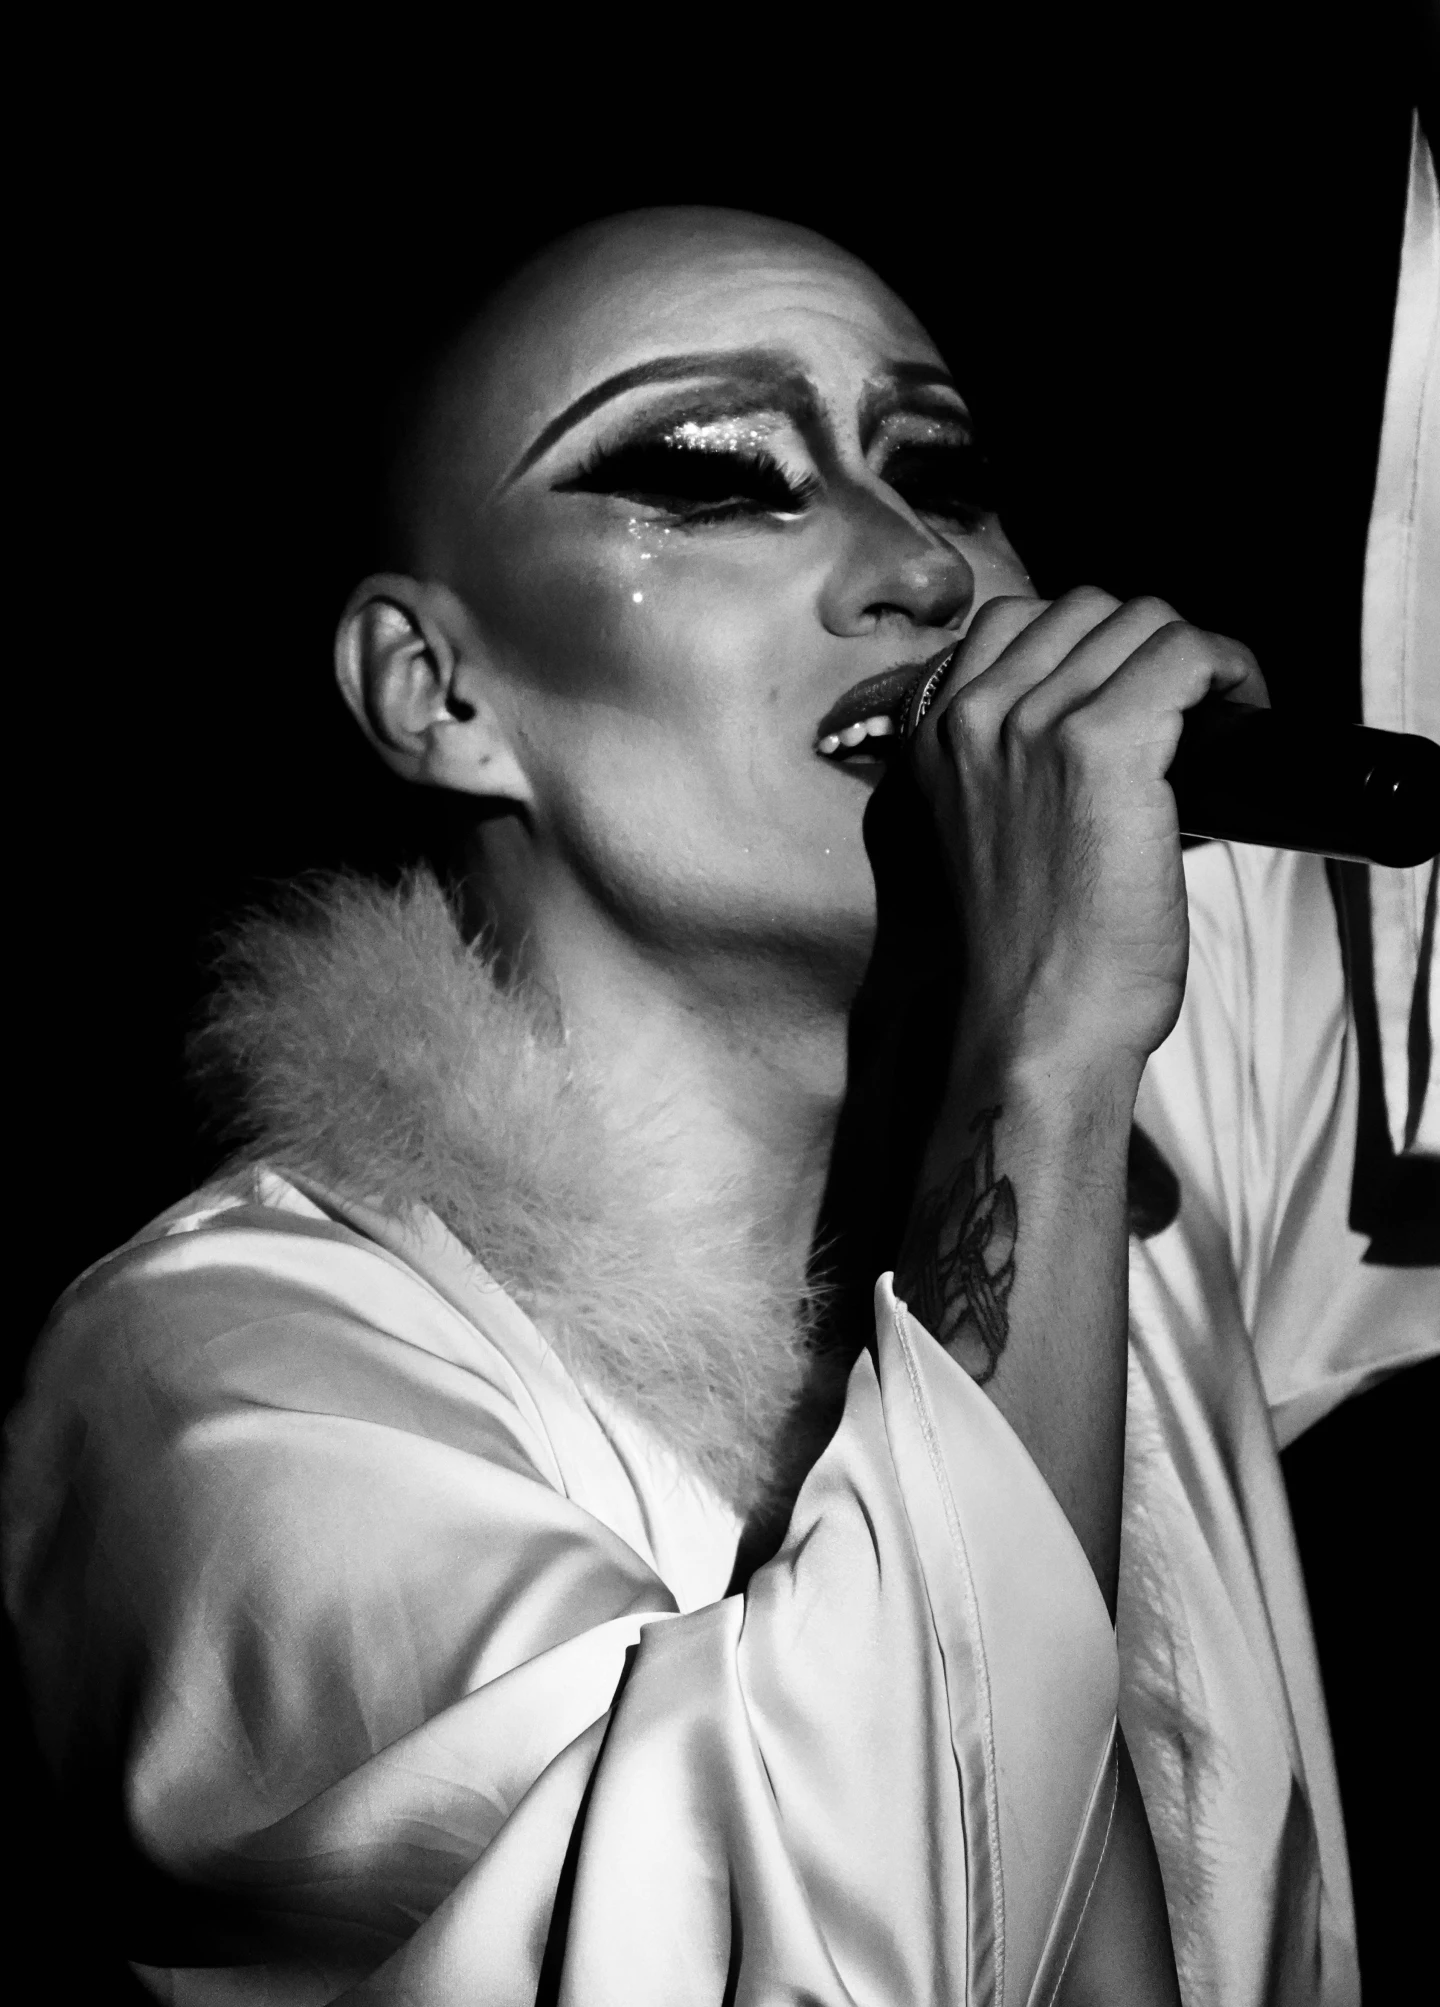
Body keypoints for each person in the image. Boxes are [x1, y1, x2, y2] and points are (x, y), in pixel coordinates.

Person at [3, 178, 1437, 2005]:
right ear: (436, 689)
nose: (920, 561)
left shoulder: (1150, 1100)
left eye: (942, 466)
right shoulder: (213, 1387)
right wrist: (1045, 1068)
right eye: (712, 473)